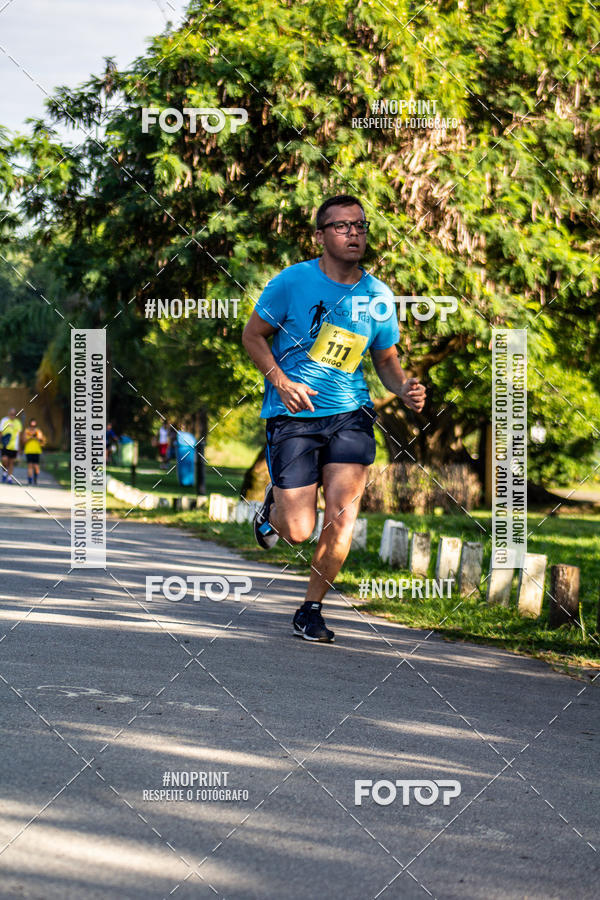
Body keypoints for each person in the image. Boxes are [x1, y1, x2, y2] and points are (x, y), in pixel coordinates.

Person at [242, 194, 426, 643]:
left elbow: (385, 359)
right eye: (342, 226)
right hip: (293, 416)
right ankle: (273, 510)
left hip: (351, 414)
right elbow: (253, 336)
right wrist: (281, 381)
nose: (353, 233)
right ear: (320, 235)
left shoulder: (377, 295)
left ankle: (312, 609)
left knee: (342, 518)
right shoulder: (291, 282)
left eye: (360, 226)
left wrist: (402, 388)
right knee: (298, 531)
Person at [1, 408, 23, 484]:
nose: (12, 416)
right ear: (8, 414)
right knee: (4, 459)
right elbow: (1, 433)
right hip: (5, 445)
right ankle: (4, 473)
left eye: (14, 414)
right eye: (11, 414)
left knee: (11, 462)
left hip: (14, 446)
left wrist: (20, 448)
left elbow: (19, 436)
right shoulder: (4, 421)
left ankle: (9, 478)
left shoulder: (18, 423)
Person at [22, 418, 46, 485]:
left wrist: (37, 437)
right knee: (30, 466)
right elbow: (23, 441)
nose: (32, 427)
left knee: (36, 466)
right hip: (29, 450)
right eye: (31, 425)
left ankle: (35, 478)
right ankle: (30, 480)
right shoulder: (26, 431)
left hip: (36, 451)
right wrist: (30, 437)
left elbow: (42, 440)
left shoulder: (38, 431)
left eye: (34, 425)